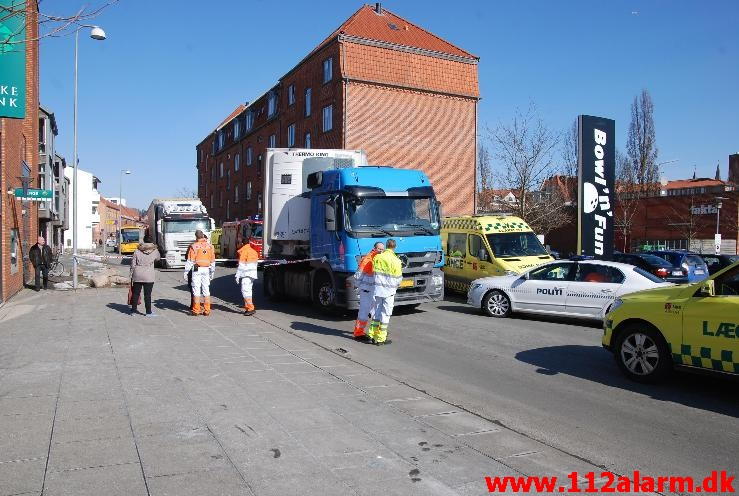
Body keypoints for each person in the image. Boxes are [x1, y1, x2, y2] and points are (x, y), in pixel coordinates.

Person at [368, 239, 403, 345]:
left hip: (378, 290)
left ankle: (372, 335)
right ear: (394, 247)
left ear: (386, 246)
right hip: (389, 291)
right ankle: (381, 339)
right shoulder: (396, 260)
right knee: (385, 314)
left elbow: (373, 272)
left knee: (377, 313)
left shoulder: (378, 257)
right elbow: (398, 278)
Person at [353, 241, 384, 341]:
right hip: (366, 290)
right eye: (379, 249)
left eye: (382, 249)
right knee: (364, 311)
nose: (381, 251)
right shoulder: (368, 259)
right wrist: (356, 285)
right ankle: (358, 333)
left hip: (374, 290)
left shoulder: (379, 259)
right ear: (374, 248)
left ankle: (375, 331)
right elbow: (359, 274)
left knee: (376, 311)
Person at [184, 230, 215, 316]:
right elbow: (213, 261)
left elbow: (190, 261)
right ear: (203, 236)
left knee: (196, 288)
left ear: (196, 237)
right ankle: (207, 310)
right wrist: (212, 272)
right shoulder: (210, 246)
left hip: (197, 269)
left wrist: (186, 272)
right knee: (206, 289)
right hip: (207, 269)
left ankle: (196, 310)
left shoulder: (194, 246)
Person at [129, 235, 161, 316]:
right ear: (152, 241)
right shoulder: (155, 250)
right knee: (147, 295)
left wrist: (131, 274)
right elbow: (158, 259)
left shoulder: (137, 250)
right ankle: (148, 312)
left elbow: (133, 264)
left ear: (144, 240)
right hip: (149, 275)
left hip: (137, 274)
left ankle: (133, 311)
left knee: (136, 293)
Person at [235, 241, 259, 316]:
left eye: (238, 243)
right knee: (248, 291)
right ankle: (248, 307)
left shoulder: (244, 252)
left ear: (242, 244)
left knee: (245, 291)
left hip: (246, 274)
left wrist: (237, 275)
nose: (237, 244)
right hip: (252, 274)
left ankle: (250, 308)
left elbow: (241, 265)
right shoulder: (253, 251)